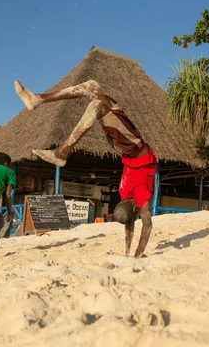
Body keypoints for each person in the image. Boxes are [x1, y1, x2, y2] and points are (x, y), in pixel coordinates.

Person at [14, 79, 155, 257]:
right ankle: (38, 100)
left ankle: (62, 151)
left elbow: (140, 224)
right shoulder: (126, 193)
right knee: (92, 87)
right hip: (127, 144)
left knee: (95, 101)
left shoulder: (130, 193)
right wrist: (134, 255)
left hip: (129, 144)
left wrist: (133, 254)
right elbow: (142, 224)